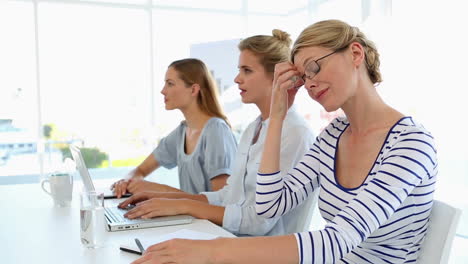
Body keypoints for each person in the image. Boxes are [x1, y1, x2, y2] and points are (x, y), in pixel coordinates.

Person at [130, 19, 438, 264]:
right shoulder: (333, 135)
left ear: (355, 54)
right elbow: (269, 205)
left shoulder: (411, 144)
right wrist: (276, 116)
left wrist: (212, 252)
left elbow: (335, 242)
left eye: (315, 67)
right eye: (304, 76)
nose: (311, 82)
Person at [119, 29, 316, 237]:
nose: (237, 79)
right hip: (231, 241)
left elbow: (259, 222)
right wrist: (169, 200)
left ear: (277, 76)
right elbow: (228, 196)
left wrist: (183, 206)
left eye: (247, 70)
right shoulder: (253, 129)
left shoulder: (296, 133)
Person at [112, 58, 237, 196]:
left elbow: (222, 202)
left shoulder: (216, 130)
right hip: (190, 218)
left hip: (209, 219)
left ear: (193, 89)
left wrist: (160, 190)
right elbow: (140, 171)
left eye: (170, 84)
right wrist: (125, 181)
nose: (163, 91)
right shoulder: (182, 132)